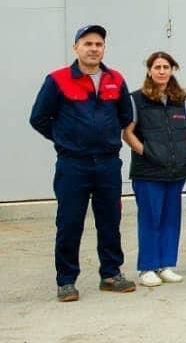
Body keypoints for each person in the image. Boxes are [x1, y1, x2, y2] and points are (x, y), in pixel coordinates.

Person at [30, 24, 137, 301]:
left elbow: (126, 116)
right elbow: (38, 118)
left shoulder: (115, 79)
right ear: (76, 47)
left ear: (104, 48)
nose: (93, 49)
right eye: (87, 43)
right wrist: (65, 139)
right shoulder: (58, 80)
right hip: (73, 164)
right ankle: (66, 281)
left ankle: (111, 274)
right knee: (69, 222)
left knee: (110, 221)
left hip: (108, 164)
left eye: (98, 44)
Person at [122, 52, 186, 286]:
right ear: (149, 71)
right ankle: (147, 268)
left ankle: (166, 265)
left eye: (166, 67)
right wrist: (146, 152)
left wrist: (184, 153)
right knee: (150, 218)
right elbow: (128, 133)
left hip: (175, 171)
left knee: (171, 219)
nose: (162, 71)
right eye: (157, 67)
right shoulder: (136, 99)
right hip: (148, 172)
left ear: (172, 70)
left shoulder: (180, 99)